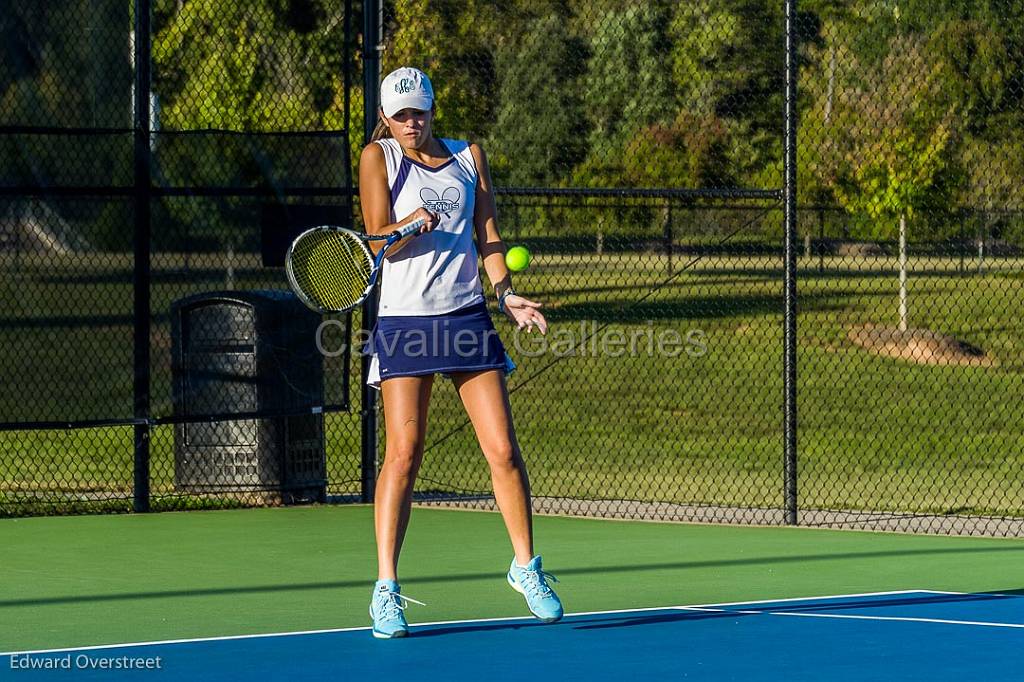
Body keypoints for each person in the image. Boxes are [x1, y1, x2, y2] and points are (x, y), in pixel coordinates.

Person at [358, 66, 563, 639]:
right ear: (386, 116)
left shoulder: (469, 157)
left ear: (431, 110)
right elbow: (374, 235)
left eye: (418, 113)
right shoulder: (379, 158)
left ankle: (526, 569)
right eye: (399, 115)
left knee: (502, 449)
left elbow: (488, 235)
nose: (410, 124)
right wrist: (408, 224)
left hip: (467, 316)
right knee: (405, 451)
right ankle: (386, 590)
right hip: (405, 322)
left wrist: (507, 293)